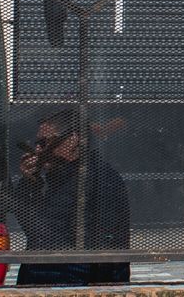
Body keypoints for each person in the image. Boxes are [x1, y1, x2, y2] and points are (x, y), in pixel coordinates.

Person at [10, 109, 131, 286]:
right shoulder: (55, 179)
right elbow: (32, 228)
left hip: (75, 283)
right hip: (43, 279)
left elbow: (108, 244)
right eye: (37, 144)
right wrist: (30, 182)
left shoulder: (98, 179)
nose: (38, 150)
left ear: (73, 139)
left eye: (44, 143)